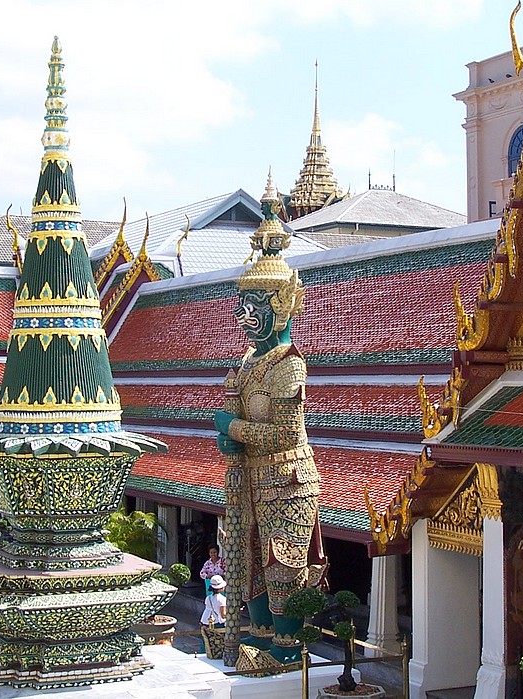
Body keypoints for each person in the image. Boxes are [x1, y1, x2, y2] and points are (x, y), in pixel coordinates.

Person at [214, 176, 325, 666]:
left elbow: (280, 433)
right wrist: (228, 439)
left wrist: (232, 429)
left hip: (286, 479)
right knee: (249, 563)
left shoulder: (288, 363)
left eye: (254, 306)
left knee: (283, 566)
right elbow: (228, 427)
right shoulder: (243, 364)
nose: (244, 316)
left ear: (280, 305)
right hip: (249, 481)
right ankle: (256, 636)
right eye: (242, 306)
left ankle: (287, 646)